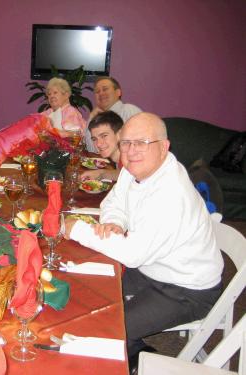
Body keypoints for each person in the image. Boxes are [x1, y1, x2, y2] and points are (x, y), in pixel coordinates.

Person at [65, 113, 223, 373]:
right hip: (154, 265)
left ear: (164, 146)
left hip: (186, 288)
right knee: (89, 287)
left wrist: (76, 229)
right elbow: (114, 202)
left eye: (141, 143)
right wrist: (116, 222)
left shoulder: (171, 193)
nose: (131, 151)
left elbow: (133, 254)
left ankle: (136, 358)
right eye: (126, 143)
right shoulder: (134, 169)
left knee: (105, 327)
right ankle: (137, 353)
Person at [85, 76, 142, 152]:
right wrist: (91, 118)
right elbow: (91, 150)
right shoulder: (96, 118)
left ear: (118, 92)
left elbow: (139, 147)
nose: (101, 93)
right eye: (97, 92)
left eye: (105, 89)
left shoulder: (130, 111)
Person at [81, 111, 123, 182]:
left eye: (104, 136)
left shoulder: (131, 162)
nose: (98, 144)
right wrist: (101, 173)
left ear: (119, 134)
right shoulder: (122, 159)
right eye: (94, 139)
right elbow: (122, 174)